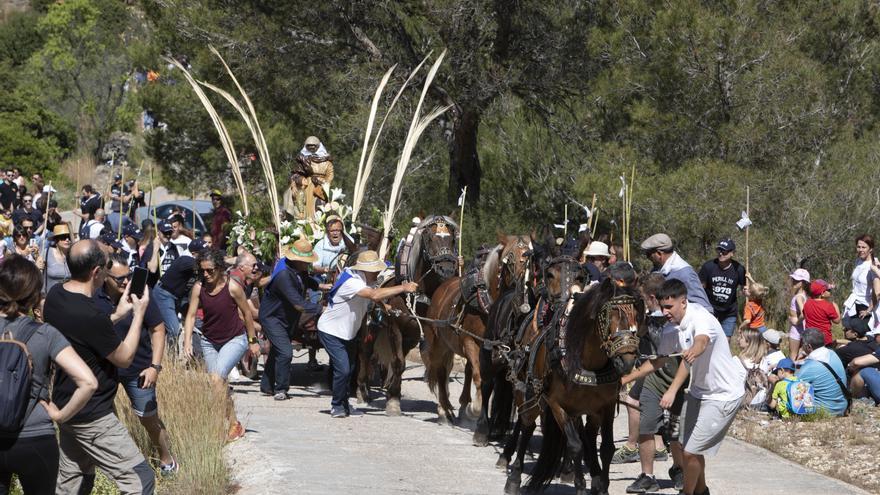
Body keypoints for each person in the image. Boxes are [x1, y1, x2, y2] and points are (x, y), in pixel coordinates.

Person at [43, 240, 155, 494]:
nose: (108, 272)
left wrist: (118, 314)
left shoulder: (55, 297)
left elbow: (84, 334)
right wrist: (138, 314)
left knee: (75, 481)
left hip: (65, 403)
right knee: (140, 479)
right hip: (93, 414)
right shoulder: (91, 314)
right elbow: (124, 358)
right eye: (106, 266)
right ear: (96, 272)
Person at [635, 279, 744, 495]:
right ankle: (701, 491)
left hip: (723, 395)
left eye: (669, 307)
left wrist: (693, 352)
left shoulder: (701, 317)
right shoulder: (670, 329)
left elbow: (701, 341)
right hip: (698, 393)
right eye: (662, 307)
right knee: (689, 449)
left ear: (683, 302)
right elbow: (658, 361)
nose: (665, 312)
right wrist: (625, 379)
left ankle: (687, 492)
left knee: (691, 452)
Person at [0, 255, 97, 495]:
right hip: (35, 436)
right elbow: (88, 382)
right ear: (34, 295)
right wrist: (61, 415)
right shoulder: (45, 333)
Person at [95, 254, 178, 476]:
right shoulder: (94, 297)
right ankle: (115, 467)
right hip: (104, 370)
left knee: (148, 418)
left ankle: (166, 458)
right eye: (119, 278)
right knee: (104, 420)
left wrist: (155, 366)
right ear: (104, 276)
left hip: (138, 369)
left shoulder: (140, 295)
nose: (125, 282)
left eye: (128, 276)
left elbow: (158, 329)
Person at [318, 250, 418, 418]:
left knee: (349, 369)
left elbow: (373, 297)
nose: (378, 273)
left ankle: (344, 404)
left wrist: (383, 307)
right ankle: (337, 406)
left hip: (347, 333)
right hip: (331, 331)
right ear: (365, 270)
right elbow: (373, 294)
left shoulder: (363, 279)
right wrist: (403, 287)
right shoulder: (352, 282)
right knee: (342, 369)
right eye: (375, 270)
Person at [182, 249, 260, 441]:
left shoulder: (232, 287)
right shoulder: (199, 288)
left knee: (216, 379)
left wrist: (252, 341)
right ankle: (234, 424)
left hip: (235, 339)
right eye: (203, 271)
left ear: (220, 269)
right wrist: (187, 342)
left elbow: (247, 314)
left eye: (210, 271)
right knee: (219, 382)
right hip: (209, 341)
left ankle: (217, 429)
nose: (206, 275)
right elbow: (191, 315)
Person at [619, 273, 685, 493]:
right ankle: (647, 476)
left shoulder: (683, 322)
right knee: (646, 427)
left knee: (675, 432)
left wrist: (674, 390)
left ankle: (678, 469)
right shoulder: (648, 319)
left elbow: (675, 356)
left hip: (680, 379)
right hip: (654, 379)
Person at [259, 239, 324, 400]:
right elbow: (298, 304)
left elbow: (304, 280)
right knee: (285, 352)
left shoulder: (296, 268)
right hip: (272, 318)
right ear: (297, 260)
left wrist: (321, 286)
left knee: (276, 351)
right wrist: (321, 309)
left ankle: (266, 385)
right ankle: (281, 389)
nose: (307, 265)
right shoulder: (283, 275)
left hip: (285, 317)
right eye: (306, 262)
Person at [640, 233, 713, 313]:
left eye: (648, 254)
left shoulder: (685, 274)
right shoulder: (657, 269)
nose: (648, 258)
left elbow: (704, 308)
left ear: (659, 254)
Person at [153, 239, 204, 344]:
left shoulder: (194, 261)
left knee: (195, 322)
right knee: (174, 329)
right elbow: (198, 266)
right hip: (164, 294)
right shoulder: (186, 260)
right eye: (203, 254)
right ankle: (171, 357)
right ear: (194, 253)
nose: (206, 257)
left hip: (179, 297)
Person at [699, 238, 746, 338]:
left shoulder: (739, 269)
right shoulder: (709, 267)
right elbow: (700, 287)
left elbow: (744, 288)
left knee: (725, 340)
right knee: (707, 338)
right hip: (710, 309)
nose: (721, 253)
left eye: (724, 251)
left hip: (729, 311)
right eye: (719, 250)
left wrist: (747, 290)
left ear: (732, 253)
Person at [796, 327, 849, 416]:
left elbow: (796, 387)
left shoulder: (809, 367)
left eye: (802, 344)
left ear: (809, 346)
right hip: (842, 407)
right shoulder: (833, 353)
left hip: (823, 411)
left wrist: (796, 366)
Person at [842, 235, 876, 336]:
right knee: (848, 330)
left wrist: (869, 310)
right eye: (858, 247)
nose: (860, 250)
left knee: (860, 333)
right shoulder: (858, 261)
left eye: (863, 247)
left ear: (871, 249)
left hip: (866, 306)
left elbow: (877, 292)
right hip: (855, 303)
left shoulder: (874, 266)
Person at [736, 327, 770, 407]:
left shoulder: (738, 361)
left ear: (748, 342)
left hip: (742, 400)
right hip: (760, 401)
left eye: (741, 337)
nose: (738, 339)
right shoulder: (763, 360)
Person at [803, 279, 841, 348]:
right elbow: (837, 321)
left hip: (810, 338)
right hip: (825, 340)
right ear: (822, 293)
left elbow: (805, 314)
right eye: (828, 290)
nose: (830, 291)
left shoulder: (807, 303)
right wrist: (835, 306)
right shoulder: (828, 306)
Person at [295, 135, 334, 202]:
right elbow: (298, 173)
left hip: (323, 186)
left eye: (313, 145)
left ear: (318, 146)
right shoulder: (303, 160)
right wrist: (301, 179)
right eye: (309, 145)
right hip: (309, 186)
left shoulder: (327, 161)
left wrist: (326, 185)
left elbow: (330, 174)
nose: (311, 147)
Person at [788, 268, 811, 359]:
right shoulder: (804, 295)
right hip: (802, 328)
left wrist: (796, 322)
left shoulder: (798, 297)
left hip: (796, 329)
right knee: (800, 355)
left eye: (796, 281)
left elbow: (804, 313)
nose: (793, 282)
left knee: (793, 356)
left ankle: (791, 372)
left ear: (803, 283)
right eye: (793, 280)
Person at [43, 224, 73, 295]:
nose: (67, 239)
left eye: (68, 237)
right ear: (56, 240)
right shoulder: (46, 253)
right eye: (63, 237)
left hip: (68, 298)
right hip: (49, 297)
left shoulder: (73, 255)